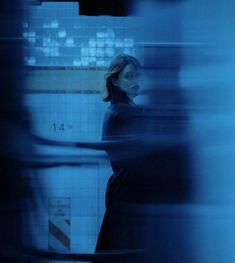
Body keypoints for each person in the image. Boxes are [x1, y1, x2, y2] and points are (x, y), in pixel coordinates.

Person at [94, 54, 192, 262]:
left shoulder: (119, 109)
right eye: (129, 76)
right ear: (115, 80)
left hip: (122, 189)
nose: (136, 81)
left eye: (137, 76)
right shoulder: (123, 111)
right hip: (128, 191)